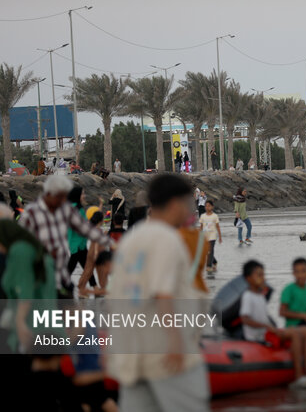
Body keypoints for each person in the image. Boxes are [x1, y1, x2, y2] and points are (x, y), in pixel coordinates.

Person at [107, 174, 208, 411]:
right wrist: (175, 343)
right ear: (175, 204)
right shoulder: (167, 240)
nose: (189, 210)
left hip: (132, 353)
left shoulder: (132, 239)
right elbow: (163, 294)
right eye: (188, 204)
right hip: (166, 351)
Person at [19, 176, 112, 297]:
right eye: (62, 195)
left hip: (66, 264)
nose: (65, 199)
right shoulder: (32, 212)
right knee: (81, 267)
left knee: (79, 272)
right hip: (51, 265)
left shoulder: (66, 209)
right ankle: (84, 289)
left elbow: (85, 228)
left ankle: (84, 289)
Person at [240, 260, 306, 389]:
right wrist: (267, 327)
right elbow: (245, 319)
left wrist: (271, 326)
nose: (263, 278)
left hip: (267, 331)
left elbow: (263, 317)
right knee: (296, 333)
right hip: (258, 336)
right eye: (259, 275)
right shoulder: (248, 296)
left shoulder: (260, 295)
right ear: (248, 278)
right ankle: (298, 377)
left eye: (263, 275)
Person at [66, 186, 92, 285]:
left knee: (86, 267)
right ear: (77, 195)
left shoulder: (78, 208)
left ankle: (93, 287)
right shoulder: (74, 209)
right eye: (82, 194)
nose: (84, 196)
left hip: (81, 244)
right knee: (80, 268)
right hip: (76, 245)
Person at [199, 200, 222, 273]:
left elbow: (218, 226)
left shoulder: (215, 216)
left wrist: (220, 237)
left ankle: (209, 266)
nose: (207, 207)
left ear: (212, 207)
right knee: (206, 251)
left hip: (212, 236)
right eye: (206, 206)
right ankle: (214, 261)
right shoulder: (202, 216)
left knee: (210, 250)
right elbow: (201, 227)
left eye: (209, 206)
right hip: (205, 236)